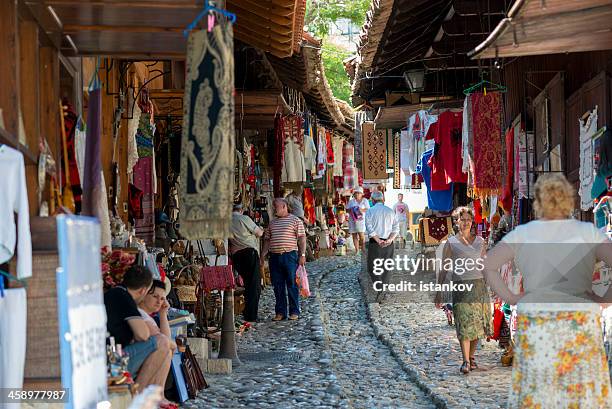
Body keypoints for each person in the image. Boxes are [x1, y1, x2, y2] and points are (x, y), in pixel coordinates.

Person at [482, 174, 612, 408]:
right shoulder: (587, 233)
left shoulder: (523, 234)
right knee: (579, 391)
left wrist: (511, 297)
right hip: (578, 321)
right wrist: (605, 299)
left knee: (540, 390)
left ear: (539, 202)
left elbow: (489, 264)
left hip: (538, 320)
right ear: (568, 200)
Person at [435, 207, 491, 374]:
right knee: (464, 324)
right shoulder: (451, 243)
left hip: (479, 287)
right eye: (462, 219)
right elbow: (444, 268)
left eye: (468, 219)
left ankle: (471, 358)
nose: (466, 222)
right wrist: (439, 292)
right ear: (456, 222)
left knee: (479, 325)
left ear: (472, 221)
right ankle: (465, 361)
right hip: (461, 287)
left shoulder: (480, 241)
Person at [104, 266, 173, 393]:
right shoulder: (125, 297)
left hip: (109, 357)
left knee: (163, 345)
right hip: (112, 361)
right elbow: (143, 334)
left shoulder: (115, 293)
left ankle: (148, 395)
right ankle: (137, 395)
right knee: (162, 342)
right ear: (143, 290)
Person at [260, 198, 306, 321]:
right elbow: (267, 240)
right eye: (274, 207)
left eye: (276, 207)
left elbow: (302, 239)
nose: (274, 209)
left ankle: (294, 311)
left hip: (290, 256)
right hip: (274, 257)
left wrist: (302, 255)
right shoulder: (272, 223)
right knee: (278, 285)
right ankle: (280, 312)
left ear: (284, 207)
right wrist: (262, 255)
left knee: (292, 284)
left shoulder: (295, 220)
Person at [230, 203, 264, 323]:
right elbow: (259, 233)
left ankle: (248, 311)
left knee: (248, 284)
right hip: (249, 253)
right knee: (254, 285)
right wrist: (261, 229)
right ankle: (251, 315)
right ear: (241, 210)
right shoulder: (243, 218)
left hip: (236, 256)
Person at [365, 191, 399, 302]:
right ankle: (383, 288)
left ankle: (380, 287)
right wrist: (389, 240)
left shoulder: (370, 211)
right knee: (386, 266)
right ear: (382, 200)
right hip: (389, 243)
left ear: (373, 200)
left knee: (373, 267)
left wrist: (378, 241)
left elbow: (370, 228)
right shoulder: (390, 211)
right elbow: (396, 229)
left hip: (375, 243)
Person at [138, 279, 176, 351]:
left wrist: (163, 313)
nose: (159, 301)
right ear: (143, 294)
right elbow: (166, 343)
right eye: (155, 296)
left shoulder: (147, 317)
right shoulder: (139, 314)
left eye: (162, 299)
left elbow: (166, 340)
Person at [347, 187, 370, 253]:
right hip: (352, 219)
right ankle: (357, 250)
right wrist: (351, 209)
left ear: (362, 194)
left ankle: (363, 248)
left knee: (361, 235)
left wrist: (361, 210)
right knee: (354, 235)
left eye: (358, 193)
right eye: (355, 193)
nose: (357, 194)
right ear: (353, 194)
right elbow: (347, 209)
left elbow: (368, 209)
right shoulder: (351, 201)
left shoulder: (365, 200)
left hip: (361, 220)